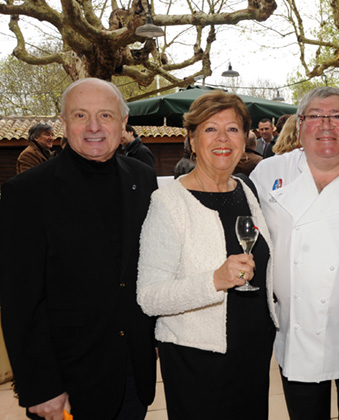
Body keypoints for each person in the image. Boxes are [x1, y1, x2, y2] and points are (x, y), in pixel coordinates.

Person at [0, 78, 158, 420]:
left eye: (105, 115)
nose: (94, 127)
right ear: (64, 122)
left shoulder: (143, 178)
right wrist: (40, 387)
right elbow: (19, 302)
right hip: (67, 381)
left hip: (133, 374)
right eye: (80, 115)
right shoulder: (27, 193)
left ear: (123, 122)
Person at [136, 90, 278, 420]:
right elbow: (149, 297)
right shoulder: (169, 202)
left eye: (233, 129)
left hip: (253, 353)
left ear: (245, 139)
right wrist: (214, 281)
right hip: (198, 361)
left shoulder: (245, 189)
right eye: (210, 129)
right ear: (192, 139)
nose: (223, 139)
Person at [251, 87, 339, 420]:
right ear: (299, 127)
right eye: (315, 116)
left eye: (337, 116)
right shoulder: (267, 174)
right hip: (297, 333)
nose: (326, 125)